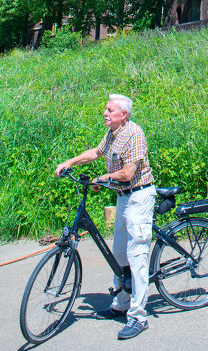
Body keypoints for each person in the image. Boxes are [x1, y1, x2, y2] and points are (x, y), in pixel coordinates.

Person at [55, 93, 156, 341]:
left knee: (136, 255)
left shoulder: (134, 134)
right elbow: (96, 152)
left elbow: (128, 173)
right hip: (123, 198)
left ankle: (138, 317)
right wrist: (70, 162)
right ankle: (120, 304)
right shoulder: (113, 132)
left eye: (110, 110)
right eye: (106, 109)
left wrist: (104, 179)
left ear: (123, 114)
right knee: (119, 253)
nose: (105, 113)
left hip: (139, 197)